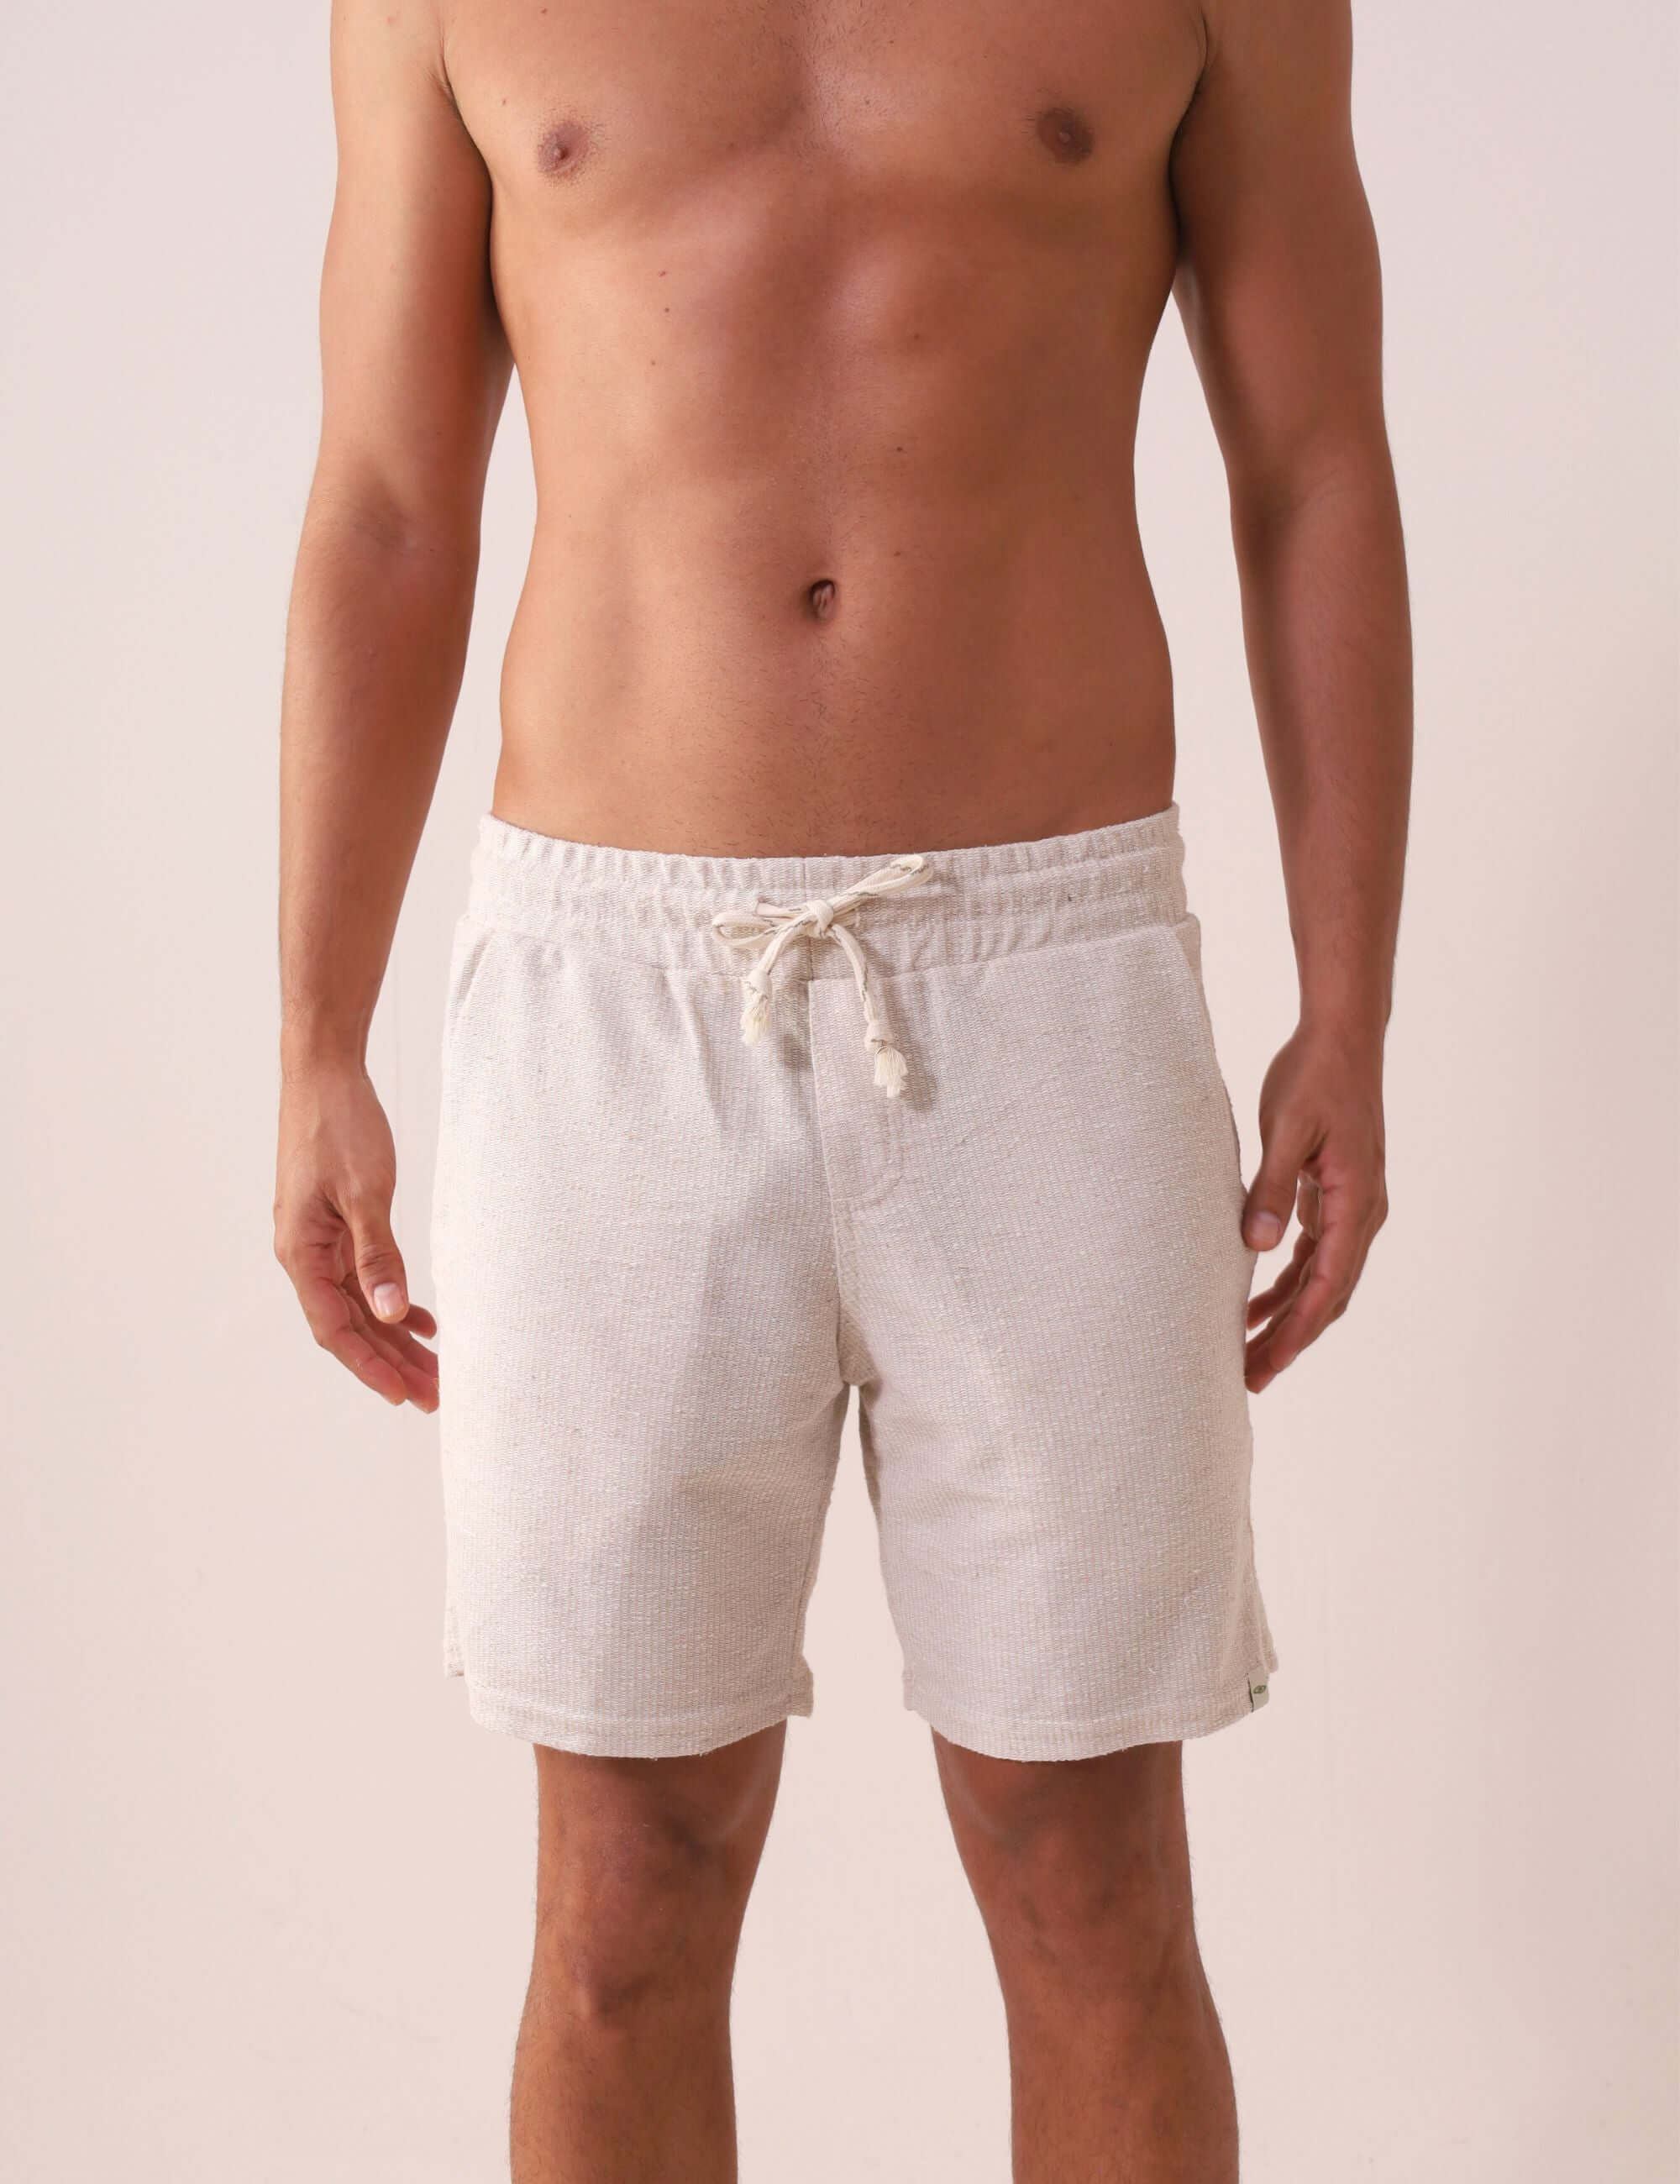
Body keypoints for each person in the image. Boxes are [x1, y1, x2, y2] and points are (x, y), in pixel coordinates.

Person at [273, 0, 1410, 2174]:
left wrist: (1346, 1006)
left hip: (1052, 988)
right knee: (626, 1889)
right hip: (612, 1000)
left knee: (1091, 1877)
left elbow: (1315, 467)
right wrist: (317, 1032)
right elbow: (393, 503)